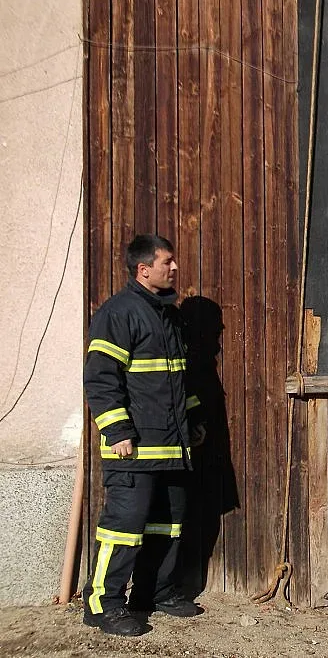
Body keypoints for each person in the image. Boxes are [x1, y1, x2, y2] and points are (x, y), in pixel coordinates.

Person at [82, 235, 206, 636]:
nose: (174, 268)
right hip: (133, 447)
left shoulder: (167, 315)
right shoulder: (118, 313)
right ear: (143, 269)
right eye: (167, 262)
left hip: (172, 444)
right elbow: (101, 378)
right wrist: (116, 430)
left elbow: (176, 381)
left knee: (167, 524)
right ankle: (103, 604)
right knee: (123, 525)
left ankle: (156, 593)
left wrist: (195, 420)